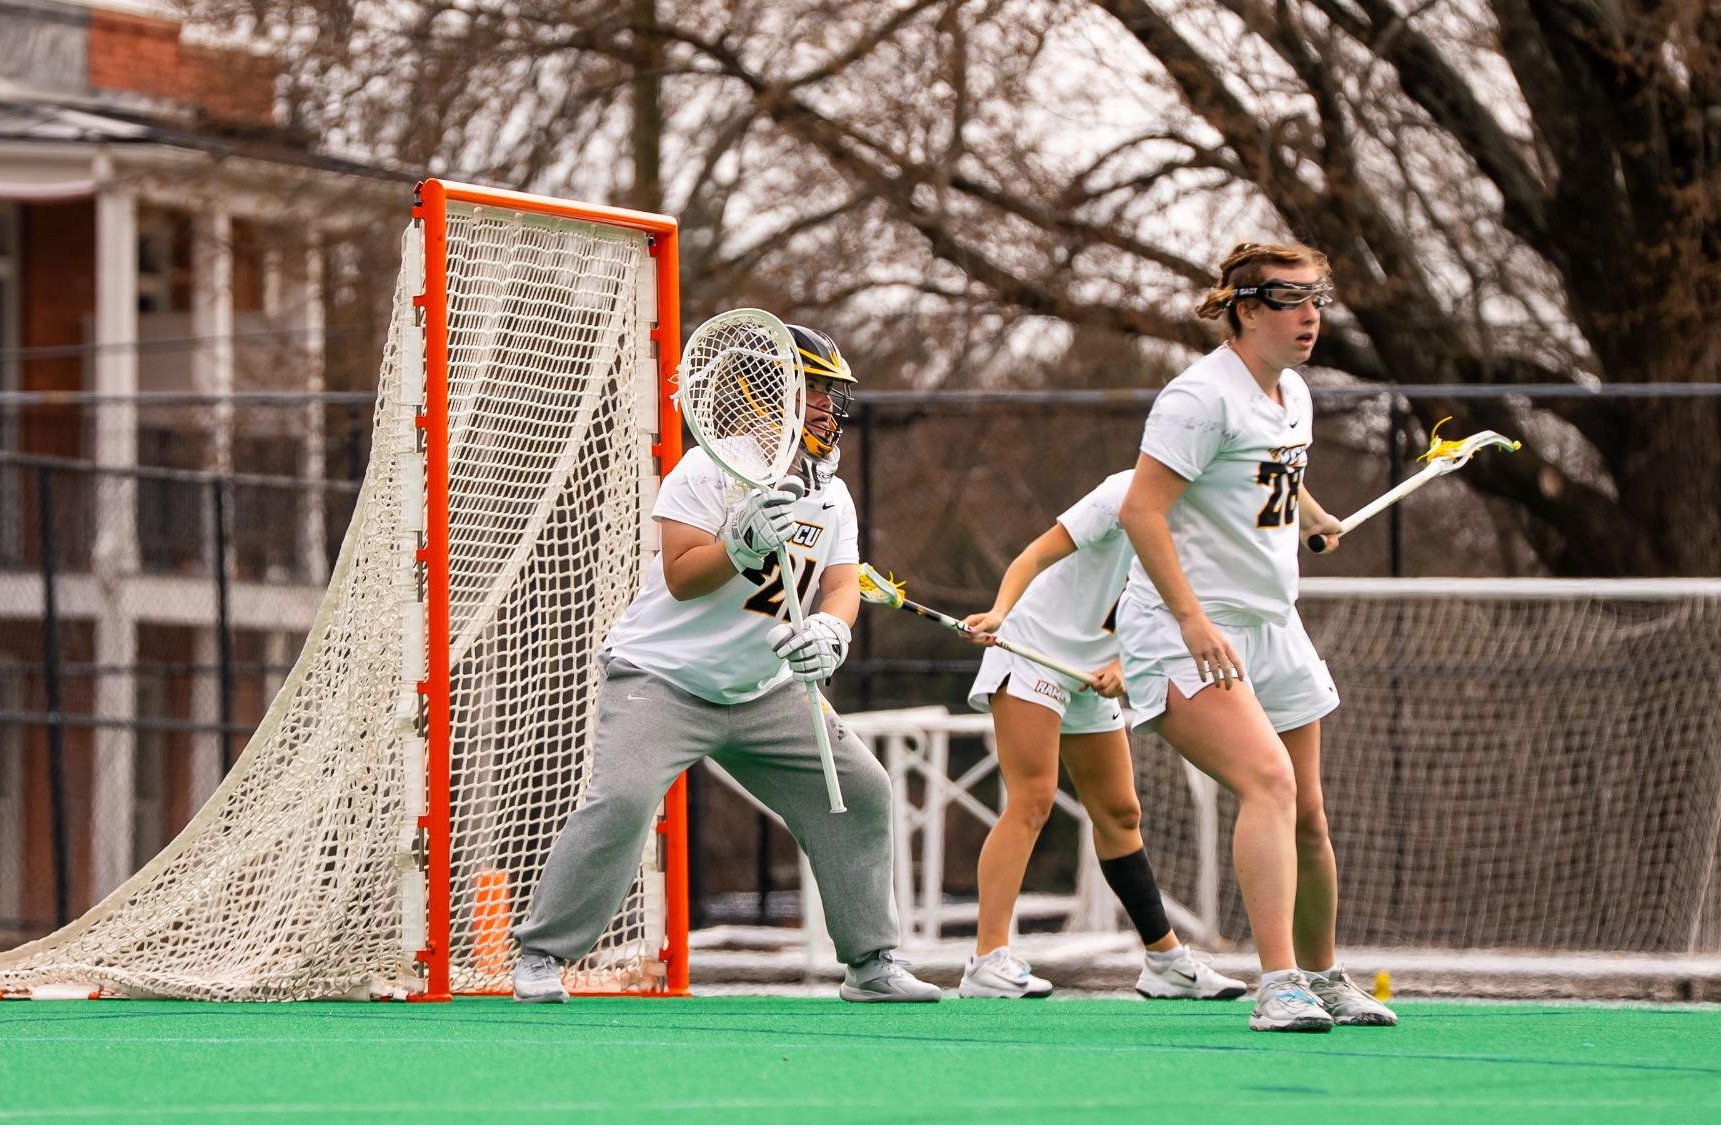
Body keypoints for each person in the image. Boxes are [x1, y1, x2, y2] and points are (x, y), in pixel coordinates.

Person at [512, 324, 940, 1004]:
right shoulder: (709, 469)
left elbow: (840, 582)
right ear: (771, 389)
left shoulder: (831, 492)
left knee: (862, 788)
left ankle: (871, 962)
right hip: (663, 679)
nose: (830, 407)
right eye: (818, 390)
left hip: (764, 688)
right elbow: (682, 575)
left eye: (834, 394)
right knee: (622, 798)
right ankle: (542, 953)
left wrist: (834, 627)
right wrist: (737, 547)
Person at [1117, 242, 1397, 1032]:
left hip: (1272, 625)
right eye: (1291, 299)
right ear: (1245, 308)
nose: (1311, 315)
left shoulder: (1293, 393)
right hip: (1183, 631)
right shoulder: (1198, 398)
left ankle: (1322, 973)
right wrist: (1192, 618)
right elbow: (1141, 510)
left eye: (1318, 297)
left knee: (1308, 809)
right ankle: (1278, 986)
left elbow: (1275, 467)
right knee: (1268, 784)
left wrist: (1312, 514)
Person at [956, 470, 1246, 1002]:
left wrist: (1122, 665)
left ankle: (1165, 961)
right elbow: (1034, 556)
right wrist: (1000, 612)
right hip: (1031, 649)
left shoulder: (1212, 521)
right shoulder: (1123, 494)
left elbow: (1173, 616)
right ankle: (987, 959)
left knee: (1120, 813)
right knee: (1033, 798)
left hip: (1091, 674)